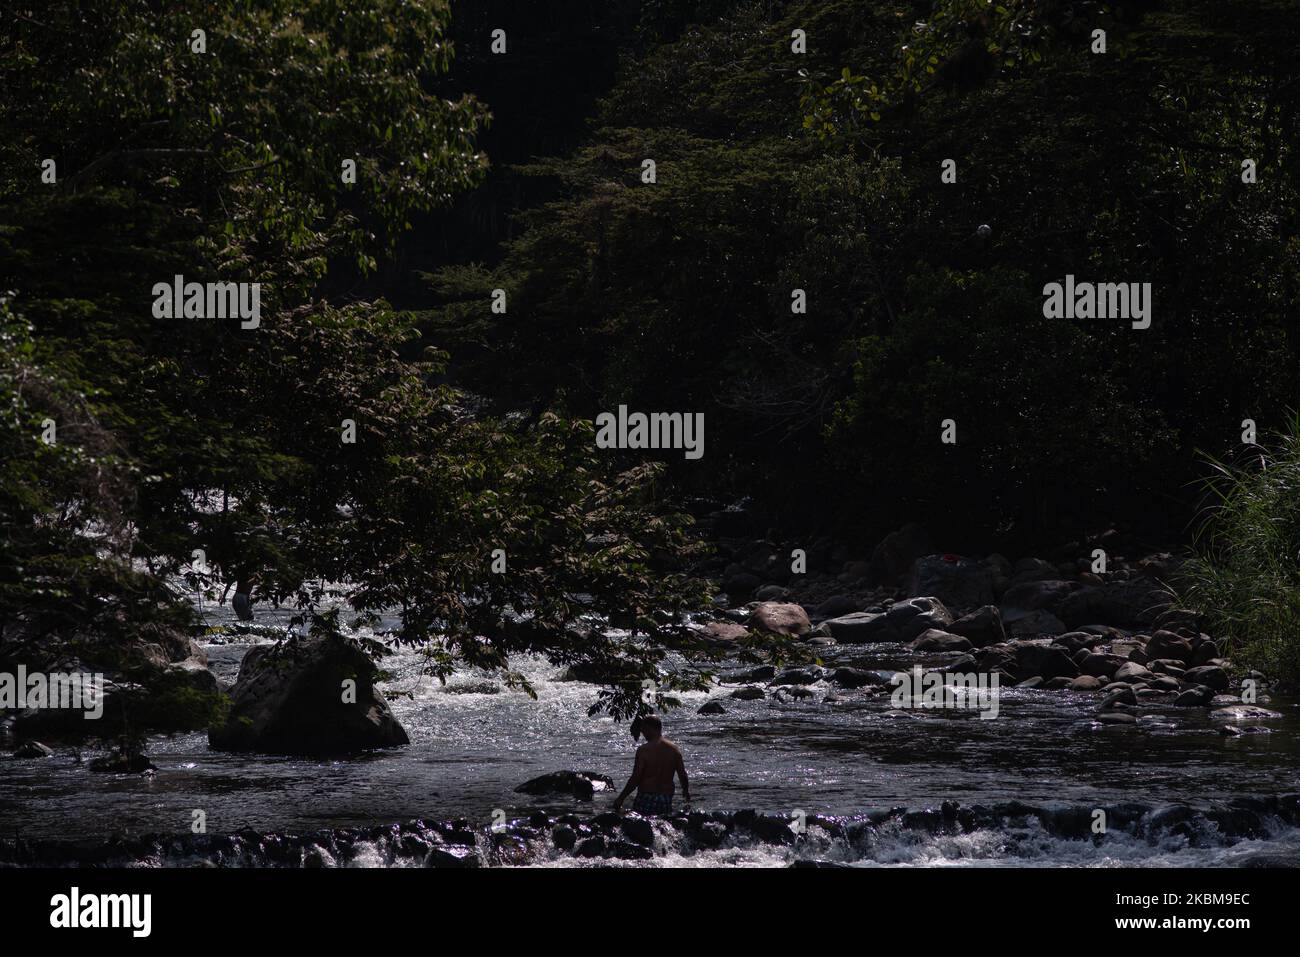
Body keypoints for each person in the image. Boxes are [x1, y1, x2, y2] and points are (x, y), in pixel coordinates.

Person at [612, 714, 689, 816]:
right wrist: (686, 791)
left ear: (650, 728)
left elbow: (636, 778)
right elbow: (682, 774)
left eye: (643, 729)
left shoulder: (643, 750)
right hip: (665, 799)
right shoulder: (674, 749)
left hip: (646, 798)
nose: (642, 733)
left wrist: (621, 798)